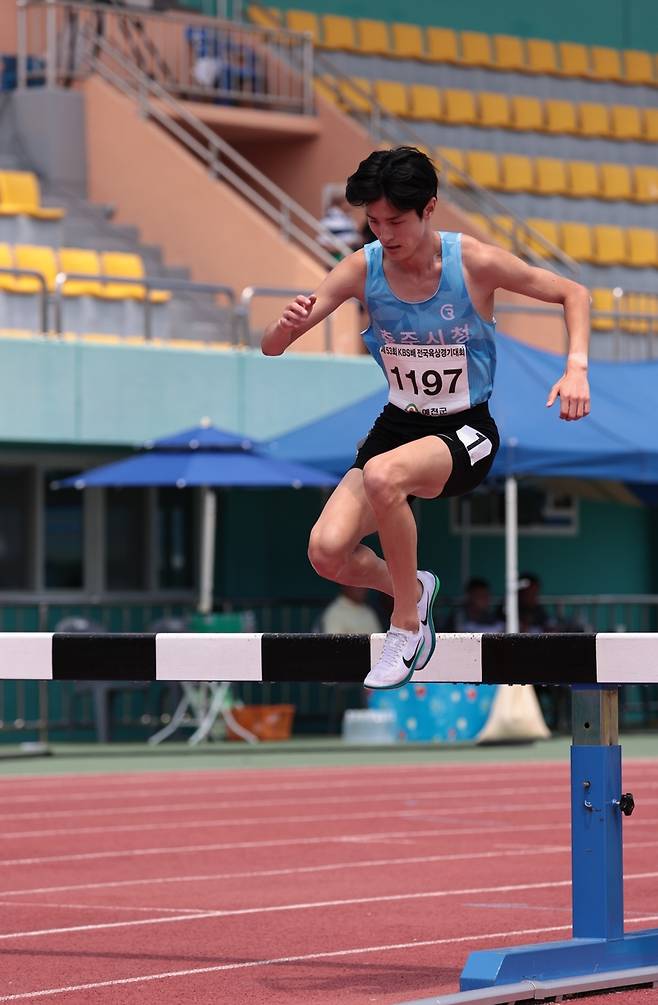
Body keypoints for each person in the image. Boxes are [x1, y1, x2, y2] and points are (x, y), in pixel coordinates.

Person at [261, 146, 590, 690]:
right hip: (398, 425)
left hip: (466, 429)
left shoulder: (474, 263)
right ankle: (411, 587)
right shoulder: (361, 269)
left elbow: (572, 292)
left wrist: (575, 368)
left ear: (429, 208)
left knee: (384, 475)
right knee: (326, 553)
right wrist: (285, 326)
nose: (384, 233)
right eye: (373, 221)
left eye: (396, 221)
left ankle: (407, 627)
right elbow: (272, 348)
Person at [318, 192, 362, 257]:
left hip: (350, 253)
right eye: (348, 201)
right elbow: (323, 242)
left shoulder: (349, 219)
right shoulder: (330, 219)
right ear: (341, 203)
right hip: (337, 256)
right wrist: (343, 247)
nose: (351, 204)